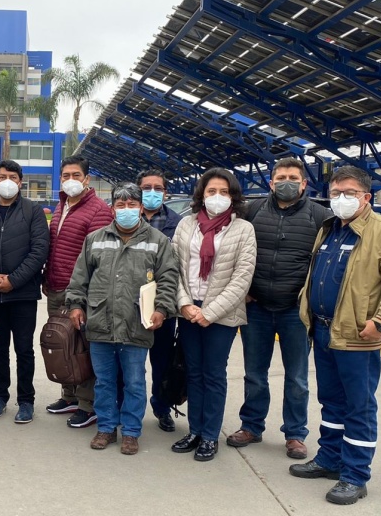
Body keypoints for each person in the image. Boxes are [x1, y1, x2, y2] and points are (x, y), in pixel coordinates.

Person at [290, 165, 381, 506]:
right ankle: (330, 459)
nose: (341, 199)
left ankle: (355, 475)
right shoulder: (330, 228)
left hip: (358, 337)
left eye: (349, 193)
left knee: (358, 406)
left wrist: (380, 321)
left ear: (367, 197)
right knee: (331, 401)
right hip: (323, 330)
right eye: (335, 193)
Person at [227, 158, 330, 460]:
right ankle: (251, 425)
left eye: (293, 178)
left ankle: (295, 434)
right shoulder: (252, 211)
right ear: (271, 183)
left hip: (295, 312)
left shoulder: (320, 216)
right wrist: (243, 290)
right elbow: (234, 250)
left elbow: (325, 262)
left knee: (297, 377)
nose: (287, 182)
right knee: (254, 373)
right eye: (281, 177)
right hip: (257, 307)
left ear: (304, 183)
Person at [66, 183, 179, 455]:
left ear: (140, 208)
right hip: (100, 322)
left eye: (132, 205)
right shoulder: (95, 239)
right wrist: (76, 305)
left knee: (134, 382)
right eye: (120, 205)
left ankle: (130, 431)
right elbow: (79, 277)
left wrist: (162, 309)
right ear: (112, 209)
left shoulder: (157, 241)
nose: (126, 210)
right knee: (104, 381)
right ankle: (106, 427)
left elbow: (168, 278)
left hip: (136, 323)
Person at [171, 168, 256, 462]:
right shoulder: (186, 225)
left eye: (224, 192)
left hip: (222, 314)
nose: (217, 197)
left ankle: (210, 435)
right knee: (193, 372)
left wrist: (210, 312)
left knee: (214, 374)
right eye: (211, 191)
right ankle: (194, 430)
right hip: (189, 310)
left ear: (233, 196)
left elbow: (242, 278)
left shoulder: (243, 229)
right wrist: (184, 304)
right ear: (201, 194)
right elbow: (173, 268)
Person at [43, 155, 113, 428]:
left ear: (87, 179)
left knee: (83, 348)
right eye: (65, 175)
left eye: (76, 175)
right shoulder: (62, 205)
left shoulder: (98, 210)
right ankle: (69, 395)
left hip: (80, 292)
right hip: (56, 287)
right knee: (64, 346)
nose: (70, 180)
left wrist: (82, 295)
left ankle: (87, 404)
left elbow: (98, 258)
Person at [0, 160, 49, 424]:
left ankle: (26, 400)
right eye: (2, 176)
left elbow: (39, 250)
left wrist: (14, 280)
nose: (7, 181)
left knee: (24, 349)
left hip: (23, 295)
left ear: (20, 182)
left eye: (12, 177)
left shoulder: (33, 211)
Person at [137, 168, 183, 433]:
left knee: (162, 361)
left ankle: (162, 407)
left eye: (158, 188)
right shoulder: (126, 216)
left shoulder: (178, 223)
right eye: (146, 188)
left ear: (166, 192)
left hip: (163, 302)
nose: (152, 193)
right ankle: (129, 408)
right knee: (131, 362)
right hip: (131, 302)